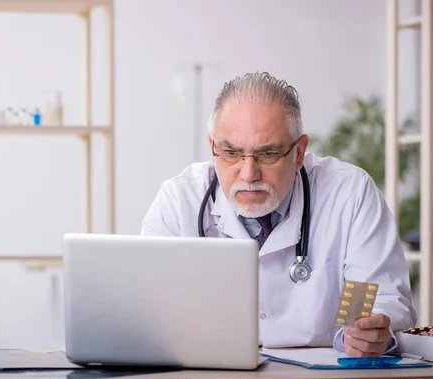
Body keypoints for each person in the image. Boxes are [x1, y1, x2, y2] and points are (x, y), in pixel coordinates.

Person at [140, 71, 416, 357]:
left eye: (268, 154)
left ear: (299, 153)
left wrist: (369, 333)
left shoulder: (349, 194)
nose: (248, 174)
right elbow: (144, 307)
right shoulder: (178, 200)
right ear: (213, 147)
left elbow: (381, 299)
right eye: (231, 153)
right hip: (208, 378)